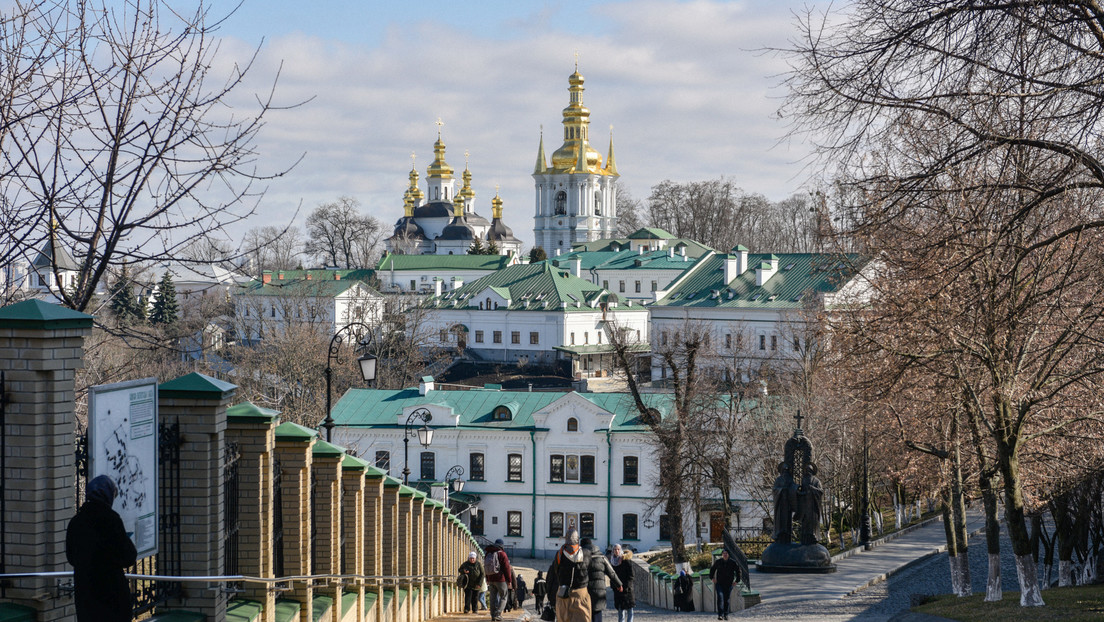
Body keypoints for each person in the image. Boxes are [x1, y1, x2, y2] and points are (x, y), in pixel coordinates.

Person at [65, 475, 138, 622]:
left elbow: (71, 557)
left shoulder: (76, 522)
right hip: (111, 594)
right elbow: (129, 557)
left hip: (86, 593)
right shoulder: (111, 520)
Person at [546, 529, 591, 622]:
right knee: (582, 618)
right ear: (577, 539)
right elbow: (589, 568)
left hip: (563, 591)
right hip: (580, 592)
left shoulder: (560, 554)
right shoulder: (586, 553)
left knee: (563, 618)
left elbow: (556, 570)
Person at [581, 538, 622, 622]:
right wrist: (619, 584)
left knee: (585, 613)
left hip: (585, 589)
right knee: (597, 611)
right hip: (599, 590)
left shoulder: (581, 557)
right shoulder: (601, 557)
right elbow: (611, 573)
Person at [484, 538, 514, 622]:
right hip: (500, 579)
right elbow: (507, 568)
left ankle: (493, 615)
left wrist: (487, 578)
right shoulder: (502, 554)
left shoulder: (488, 553)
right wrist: (509, 580)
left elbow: (485, 567)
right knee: (504, 597)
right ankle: (498, 614)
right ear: (502, 546)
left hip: (491, 579)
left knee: (492, 598)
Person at [709, 550, 741, 620]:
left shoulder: (732, 562)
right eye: (723, 553)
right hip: (719, 583)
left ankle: (726, 614)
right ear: (722, 555)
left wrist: (736, 581)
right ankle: (720, 615)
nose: (725, 555)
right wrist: (712, 578)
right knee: (720, 598)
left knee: (726, 599)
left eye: (726, 553)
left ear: (728, 554)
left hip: (729, 584)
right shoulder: (718, 562)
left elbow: (738, 571)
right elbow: (712, 569)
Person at [609, 544, 635, 622]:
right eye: (615, 549)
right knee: (621, 610)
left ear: (621, 550)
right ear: (613, 551)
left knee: (630, 609)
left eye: (618, 549)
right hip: (617, 589)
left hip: (627, 590)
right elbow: (612, 575)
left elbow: (631, 576)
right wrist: (614, 586)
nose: (616, 551)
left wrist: (627, 587)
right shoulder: (613, 562)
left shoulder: (626, 561)